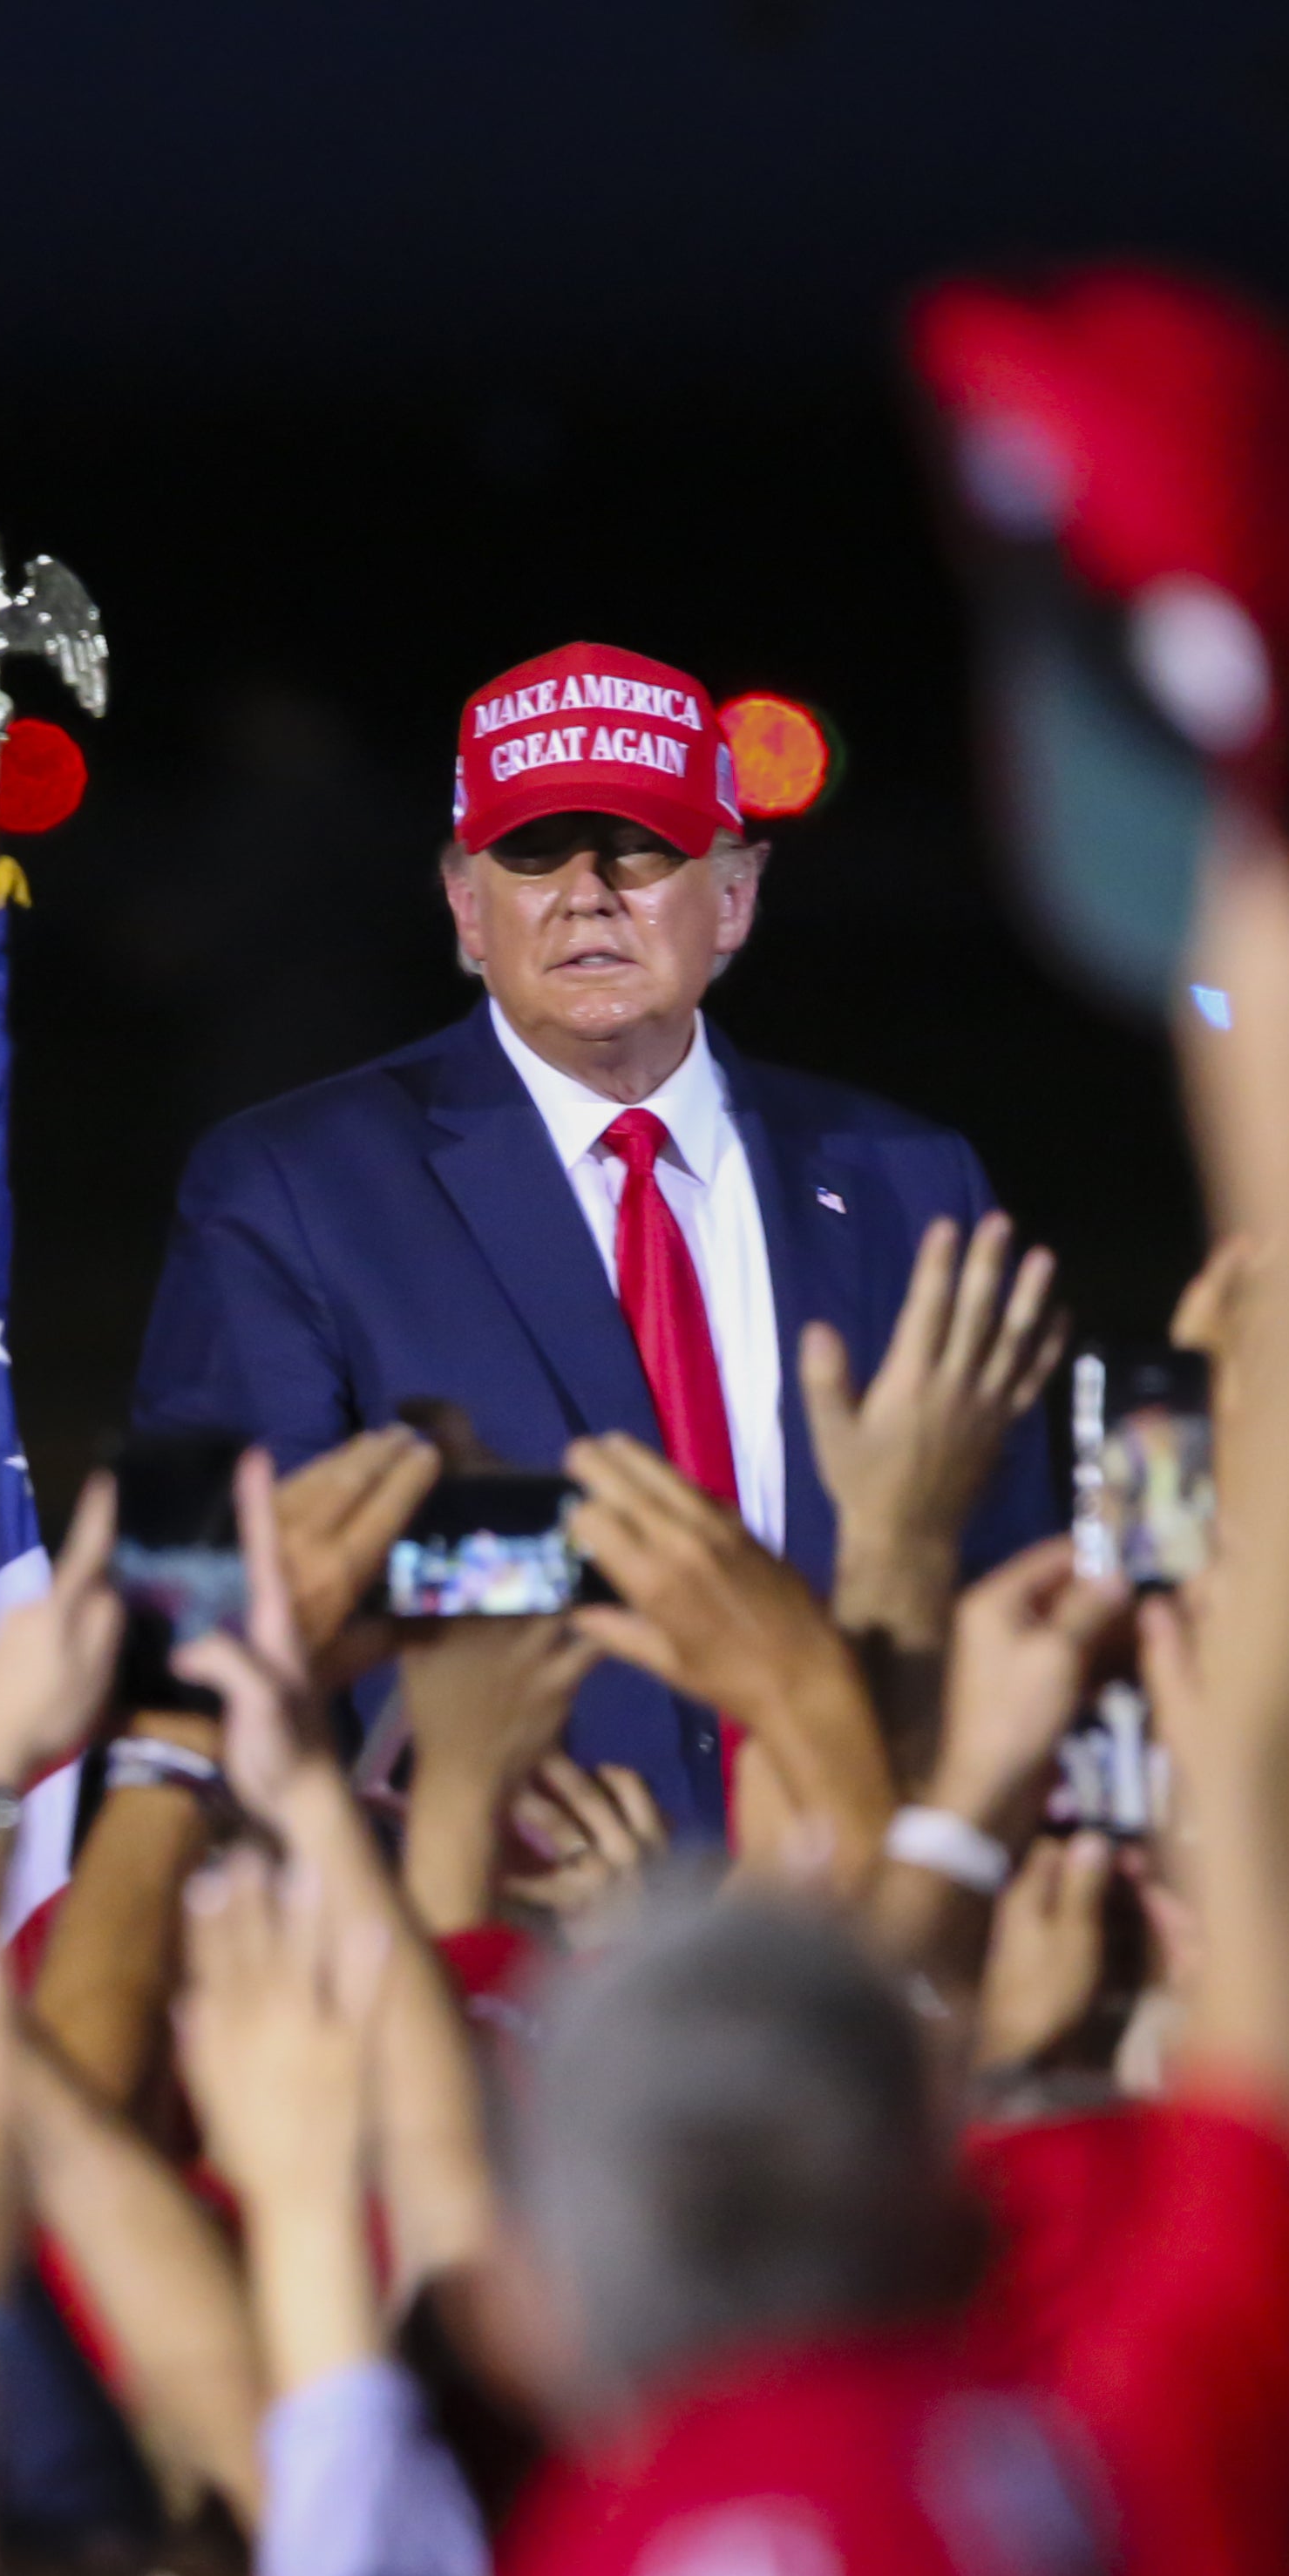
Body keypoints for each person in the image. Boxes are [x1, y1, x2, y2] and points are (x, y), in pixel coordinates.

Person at [133, 640, 1062, 1831]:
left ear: (733, 899)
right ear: (467, 908)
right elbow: (193, 1600)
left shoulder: (908, 1179)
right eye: (530, 852)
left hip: (858, 1925)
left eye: (638, 848)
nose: (585, 892)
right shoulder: (288, 1185)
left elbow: (1011, 1570)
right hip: (482, 1935)